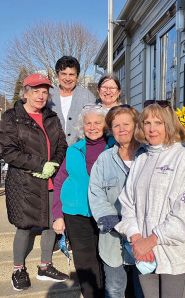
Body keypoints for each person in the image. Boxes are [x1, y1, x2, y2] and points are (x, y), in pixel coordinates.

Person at [115, 100, 185, 298]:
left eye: (158, 123)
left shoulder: (182, 158)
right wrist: (136, 237)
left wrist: (152, 240)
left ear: (168, 125)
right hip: (145, 254)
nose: (152, 129)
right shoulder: (142, 158)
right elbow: (127, 202)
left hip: (173, 253)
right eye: (147, 123)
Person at [0, 73, 69, 291]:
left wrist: (54, 165)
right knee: (24, 225)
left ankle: (45, 265)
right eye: (36, 91)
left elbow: (62, 145)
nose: (41, 96)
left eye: (44, 91)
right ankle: (18, 269)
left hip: (50, 180)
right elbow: (8, 151)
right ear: (26, 92)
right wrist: (40, 165)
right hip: (24, 182)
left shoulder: (51, 117)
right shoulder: (12, 117)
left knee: (50, 224)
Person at [52, 104, 114, 297]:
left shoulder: (115, 148)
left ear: (105, 125)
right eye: (88, 123)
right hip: (76, 213)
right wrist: (57, 215)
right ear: (82, 126)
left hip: (107, 212)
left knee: (109, 259)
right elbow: (59, 181)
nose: (93, 127)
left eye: (97, 122)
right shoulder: (73, 150)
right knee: (85, 261)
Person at [89, 105, 144, 298]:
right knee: (114, 289)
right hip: (113, 237)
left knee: (143, 290)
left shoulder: (148, 156)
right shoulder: (104, 160)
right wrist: (116, 224)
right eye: (116, 125)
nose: (122, 129)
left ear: (136, 125)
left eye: (126, 124)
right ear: (111, 130)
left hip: (143, 238)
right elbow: (95, 194)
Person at [48, 56, 96, 145]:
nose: (67, 78)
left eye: (71, 74)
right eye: (63, 74)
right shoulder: (48, 95)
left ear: (77, 76)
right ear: (57, 75)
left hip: (79, 149)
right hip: (51, 149)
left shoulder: (87, 96)